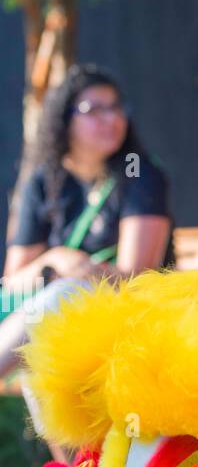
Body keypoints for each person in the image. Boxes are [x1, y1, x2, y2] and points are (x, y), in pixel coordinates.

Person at [0, 64, 171, 381]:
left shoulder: (139, 174)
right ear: (65, 120)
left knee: (58, 298)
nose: (111, 119)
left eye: (116, 107)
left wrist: (77, 273)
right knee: (50, 314)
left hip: (126, 320)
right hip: (53, 323)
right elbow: (14, 279)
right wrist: (57, 259)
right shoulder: (43, 181)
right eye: (94, 110)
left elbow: (135, 282)